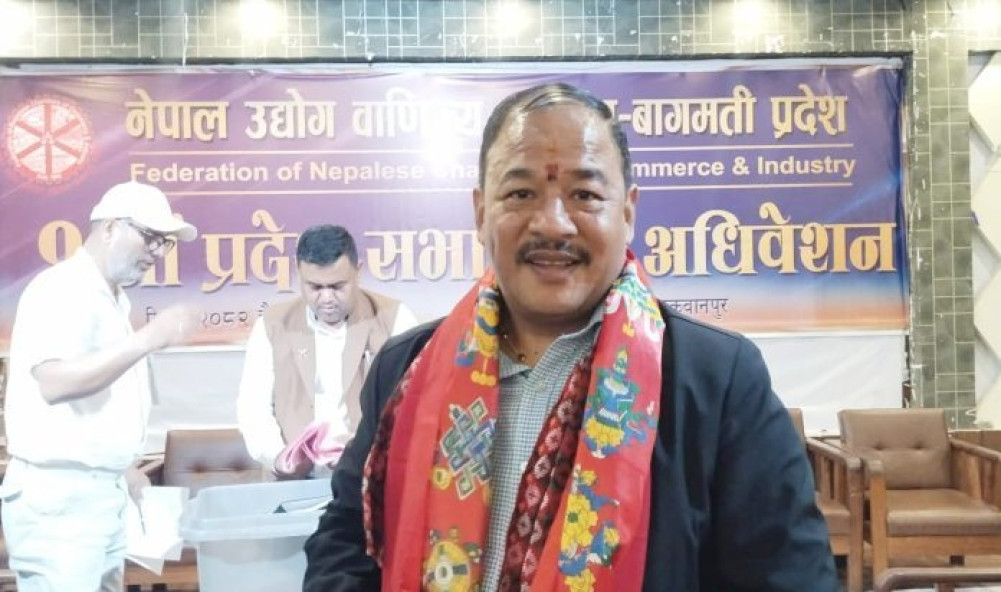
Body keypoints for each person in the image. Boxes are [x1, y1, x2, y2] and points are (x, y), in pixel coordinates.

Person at [302, 83, 838, 591]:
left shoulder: (717, 382)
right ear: (481, 212)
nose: (553, 224)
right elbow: (346, 542)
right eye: (521, 193)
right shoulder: (407, 369)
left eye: (584, 193)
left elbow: (789, 577)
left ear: (627, 212)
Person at [0, 181, 201, 592]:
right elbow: (55, 383)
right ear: (110, 228)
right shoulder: (62, 288)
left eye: (164, 243)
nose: (157, 252)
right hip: (60, 500)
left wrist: (124, 469)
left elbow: (96, 411)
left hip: (101, 494)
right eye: (150, 237)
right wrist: (146, 340)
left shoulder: (111, 299)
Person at [236, 224, 418, 480]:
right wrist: (278, 458)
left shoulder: (395, 318)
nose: (327, 298)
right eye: (315, 287)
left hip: (369, 481)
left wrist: (365, 456)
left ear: (358, 271)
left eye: (337, 286)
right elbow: (253, 408)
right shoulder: (272, 325)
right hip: (293, 484)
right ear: (298, 274)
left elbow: (413, 405)